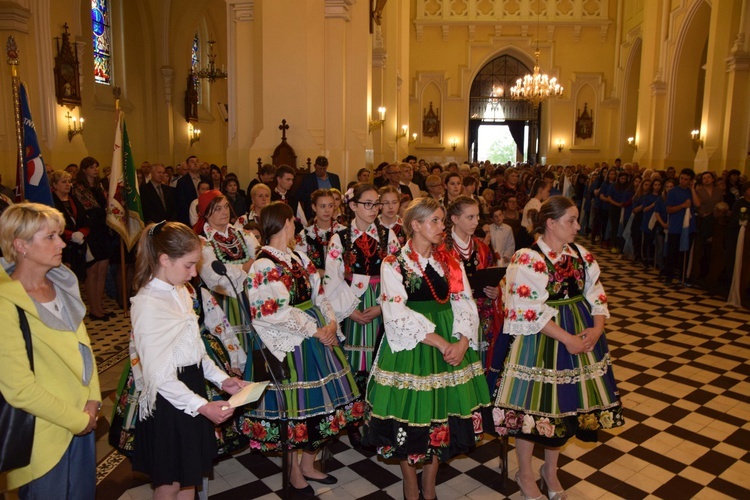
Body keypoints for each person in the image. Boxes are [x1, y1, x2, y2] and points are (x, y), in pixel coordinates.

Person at [494, 196, 624, 500]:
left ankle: (549, 471)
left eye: (577, 220)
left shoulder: (581, 254)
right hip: (543, 340)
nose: (578, 226)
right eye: (571, 220)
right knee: (534, 409)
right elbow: (527, 309)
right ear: (551, 223)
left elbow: (597, 294)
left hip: (581, 335)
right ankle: (525, 473)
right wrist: (568, 339)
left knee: (565, 409)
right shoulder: (529, 257)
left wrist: (597, 329)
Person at [363, 197, 492, 500]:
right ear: (415, 225)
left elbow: (464, 301)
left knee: (442, 416)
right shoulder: (393, 263)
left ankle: (430, 484)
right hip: (414, 346)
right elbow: (396, 313)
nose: (442, 226)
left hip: (451, 340)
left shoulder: (449, 260)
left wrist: (462, 341)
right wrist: (442, 342)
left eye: (442, 220)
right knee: (410, 416)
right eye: (435, 220)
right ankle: (410, 483)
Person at [238, 202, 360, 496]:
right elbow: (270, 311)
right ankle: (293, 471)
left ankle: (308, 463)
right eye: (292, 221)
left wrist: (330, 323)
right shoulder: (264, 264)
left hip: (315, 334)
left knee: (320, 406)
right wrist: (315, 329)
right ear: (282, 224)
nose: (296, 225)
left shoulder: (298, 257)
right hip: (292, 339)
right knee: (296, 408)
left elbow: (320, 293)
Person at [130, 221, 246, 499]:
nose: (194, 273)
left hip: (190, 385)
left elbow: (195, 349)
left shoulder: (180, 290)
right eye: (189, 265)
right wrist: (203, 406)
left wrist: (223, 379)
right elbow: (158, 375)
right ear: (164, 259)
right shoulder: (148, 304)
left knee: (189, 476)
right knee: (169, 482)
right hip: (170, 398)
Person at [0, 203, 101, 499]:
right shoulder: (6, 302)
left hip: (83, 418)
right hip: (43, 432)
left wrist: (93, 399)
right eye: (50, 237)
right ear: (21, 246)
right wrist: (77, 419)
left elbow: (84, 349)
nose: (61, 243)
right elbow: (18, 387)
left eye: (59, 235)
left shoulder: (60, 284)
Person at [324, 183, 400, 445]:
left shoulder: (388, 235)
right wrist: (350, 310)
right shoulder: (340, 238)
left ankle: (378, 417)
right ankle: (355, 420)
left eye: (376, 203)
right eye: (367, 203)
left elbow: (397, 275)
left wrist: (382, 306)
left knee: (379, 362)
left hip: (381, 302)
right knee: (355, 363)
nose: (374, 209)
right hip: (352, 301)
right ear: (353, 205)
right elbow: (332, 279)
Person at [442, 196, 504, 389]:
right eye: (470, 217)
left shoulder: (483, 248)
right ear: (454, 219)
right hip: (453, 313)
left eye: (477, 217)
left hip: (482, 313)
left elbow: (494, 277)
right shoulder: (442, 248)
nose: (476, 222)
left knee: (480, 358)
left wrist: (495, 291)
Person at [194, 190, 259, 359]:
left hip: (251, 297)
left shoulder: (242, 234)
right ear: (206, 213)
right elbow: (216, 277)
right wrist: (247, 265)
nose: (224, 212)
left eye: (225, 207)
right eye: (217, 209)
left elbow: (261, 262)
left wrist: (236, 267)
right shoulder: (202, 242)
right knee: (232, 350)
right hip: (221, 302)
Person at [72, 156, 111, 320]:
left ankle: (100, 306)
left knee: (102, 270)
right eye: (92, 167)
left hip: (103, 230)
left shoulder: (99, 185)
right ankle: (93, 308)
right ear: (85, 169)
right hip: (91, 231)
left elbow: (106, 205)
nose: (95, 169)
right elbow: (91, 209)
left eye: (96, 166)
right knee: (92, 271)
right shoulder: (79, 188)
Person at [50, 170, 90, 282]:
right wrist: (70, 235)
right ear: (54, 185)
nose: (68, 184)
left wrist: (82, 232)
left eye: (69, 181)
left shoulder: (74, 199)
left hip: (77, 248)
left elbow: (85, 220)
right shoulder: (51, 202)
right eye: (64, 182)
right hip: (62, 247)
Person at [295, 189, 345, 276]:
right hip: (315, 283)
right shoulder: (305, 234)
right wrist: (316, 272)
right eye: (322, 206)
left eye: (330, 206)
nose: (327, 210)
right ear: (314, 207)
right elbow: (298, 263)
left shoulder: (343, 232)